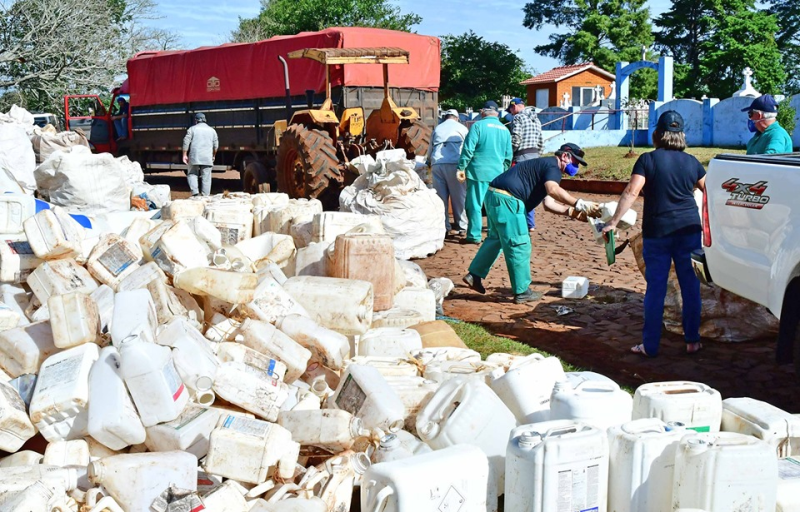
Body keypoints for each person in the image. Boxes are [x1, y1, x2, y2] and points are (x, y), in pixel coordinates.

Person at [602, 110, 705, 357]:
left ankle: (650, 345)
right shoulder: (692, 162)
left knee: (656, 288)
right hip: (689, 230)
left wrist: (613, 222)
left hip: (658, 232)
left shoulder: (647, 160)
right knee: (691, 286)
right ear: (681, 135)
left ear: (657, 133)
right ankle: (692, 341)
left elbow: (631, 192)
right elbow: (709, 192)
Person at [462, 143, 601, 303]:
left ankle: (474, 275)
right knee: (519, 244)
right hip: (509, 200)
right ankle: (522, 292)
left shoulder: (545, 166)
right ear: (565, 156)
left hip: (494, 195)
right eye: (575, 162)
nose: (575, 167)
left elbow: (548, 204)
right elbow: (553, 191)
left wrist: (571, 213)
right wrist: (579, 203)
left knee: (496, 239)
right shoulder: (553, 167)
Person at [456, 100, 513, 245]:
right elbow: (508, 156)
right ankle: (493, 234)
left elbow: (468, 149)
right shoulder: (505, 130)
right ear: (497, 113)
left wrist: (461, 167)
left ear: (483, 112)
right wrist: (504, 172)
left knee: (474, 204)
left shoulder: (478, 126)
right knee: (493, 205)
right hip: (497, 174)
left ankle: (474, 235)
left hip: (477, 172)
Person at [428, 109, 470, 235]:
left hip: (437, 165)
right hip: (455, 165)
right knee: (459, 197)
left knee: (441, 198)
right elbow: (468, 147)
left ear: (445, 117)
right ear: (457, 118)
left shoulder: (437, 128)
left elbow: (430, 148)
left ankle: (444, 227)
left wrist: (428, 162)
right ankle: (462, 227)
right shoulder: (462, 128)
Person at [507, 97, 544, 232]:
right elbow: (541, 142)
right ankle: (530, 223)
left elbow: (516, 138)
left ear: (514, 106)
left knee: (517, 191)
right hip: (534, 157)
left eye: (510, 109)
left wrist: (509, 153)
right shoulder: (536, 119)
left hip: (521, 157)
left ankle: (518, 222)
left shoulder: (518, 118)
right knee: (530, 191)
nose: (511, 112)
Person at [182, 112, 219, 197]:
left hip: (195, 156)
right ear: (205, 120)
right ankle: (205, 196)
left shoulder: (192, 129)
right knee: (206, 177)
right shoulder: (212, 130)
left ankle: (195, 193)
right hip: (207, 157)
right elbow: (216, 146)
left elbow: (186, 141)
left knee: (192, 173)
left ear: (196, 121)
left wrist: (184, 154)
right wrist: (213, 155)